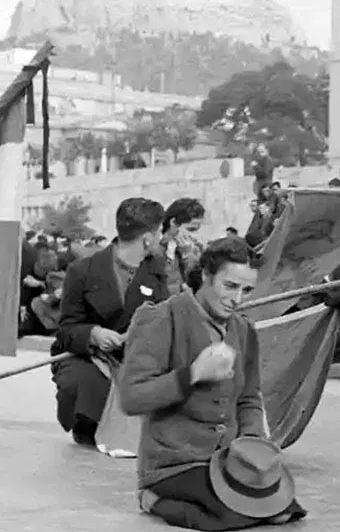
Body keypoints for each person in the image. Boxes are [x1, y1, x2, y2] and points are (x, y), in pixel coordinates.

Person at [119, 236, 306, 530]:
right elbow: (131, 398)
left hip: (228, 459)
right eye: (229, 286)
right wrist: (192, 374)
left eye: (246, 290)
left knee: (282, 510)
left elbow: (249, 397)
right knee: (230, 517)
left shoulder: (243, 328)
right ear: (205, 275)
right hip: (175, 461)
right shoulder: (160, 317)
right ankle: (151, 497)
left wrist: (254, 446)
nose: (237, 299)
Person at [52, 197, 170, 447]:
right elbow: (65, 330)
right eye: (158, 233)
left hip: (136, 359)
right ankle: (86, 424)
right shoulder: (82, 271)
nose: (160, 240)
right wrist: (93, 333)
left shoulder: (160, 273)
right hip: (90, 357)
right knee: (80, 381)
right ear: (148, 238)